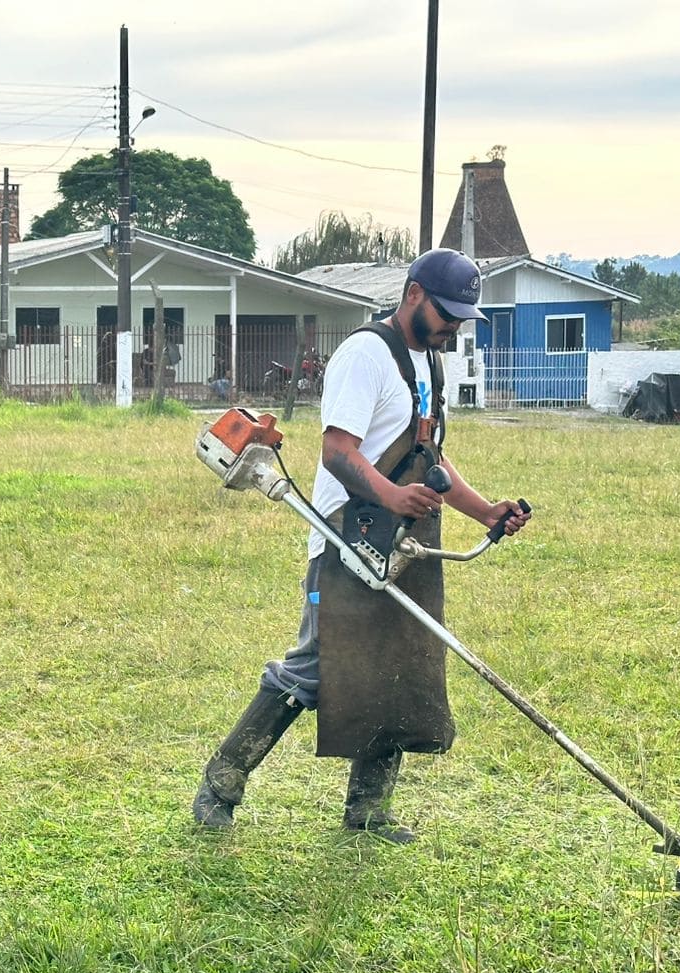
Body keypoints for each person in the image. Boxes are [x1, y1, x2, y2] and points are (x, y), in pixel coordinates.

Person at [191, 248, 531, 839]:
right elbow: (338, 452)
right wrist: (393, 496)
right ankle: (222, 781)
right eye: (447, 313)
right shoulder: (365, 355)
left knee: (397, 664)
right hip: (346, 534)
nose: (453, 327)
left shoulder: (430, 363)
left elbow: (429, 454)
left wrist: (485, 511)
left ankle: (368, 810)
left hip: (405, 539)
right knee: (316, 666)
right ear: (414, 294)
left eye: (462, 317)